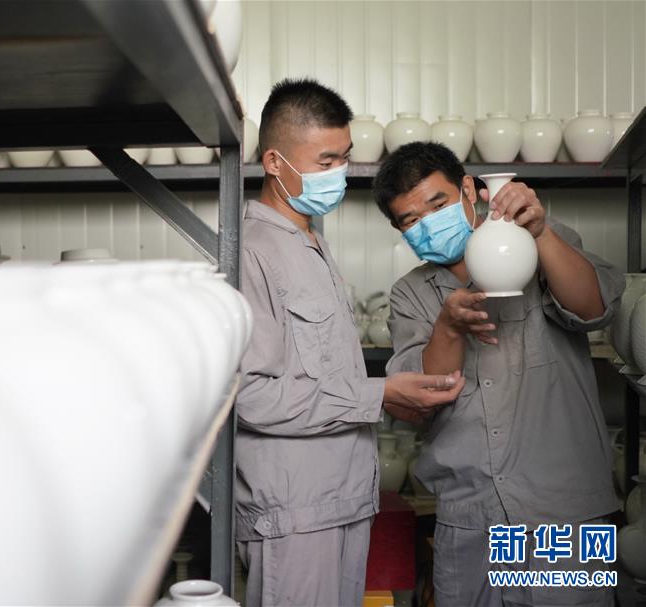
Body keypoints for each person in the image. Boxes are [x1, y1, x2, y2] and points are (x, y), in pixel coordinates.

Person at [236, 79, 466, 607]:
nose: (339, 173)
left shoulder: (310, 242)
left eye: (344, 157)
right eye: (325, 161)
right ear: (273, 162)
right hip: (294, 514)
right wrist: (379, 394)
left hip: (341, 501)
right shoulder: (252, 252)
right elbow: (251, 396)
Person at [374, 141, 623, 607]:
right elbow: (417, 399)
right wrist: (448, 327)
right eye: (411, 221)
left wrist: (540, 233)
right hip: (469, 519)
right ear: (399, 230)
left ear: (469, 190)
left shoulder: (535, 241)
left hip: (566, 517)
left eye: (438, 205)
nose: (428, 224)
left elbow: (595, 309)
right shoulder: (411, 294)